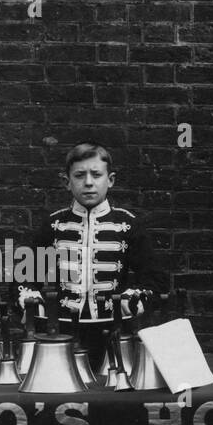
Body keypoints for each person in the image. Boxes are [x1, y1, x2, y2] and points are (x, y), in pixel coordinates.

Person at [21, 142, 166, 365]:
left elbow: (155, 279)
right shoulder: (53, 225)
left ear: (110, 180)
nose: (88, 182)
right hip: (61, 332)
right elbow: (25, 279)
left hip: (116, 330)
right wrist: (30, 300)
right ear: (66, 182)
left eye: (96, 174)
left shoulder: (128, 224)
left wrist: (135, 297)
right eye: (79, 175)